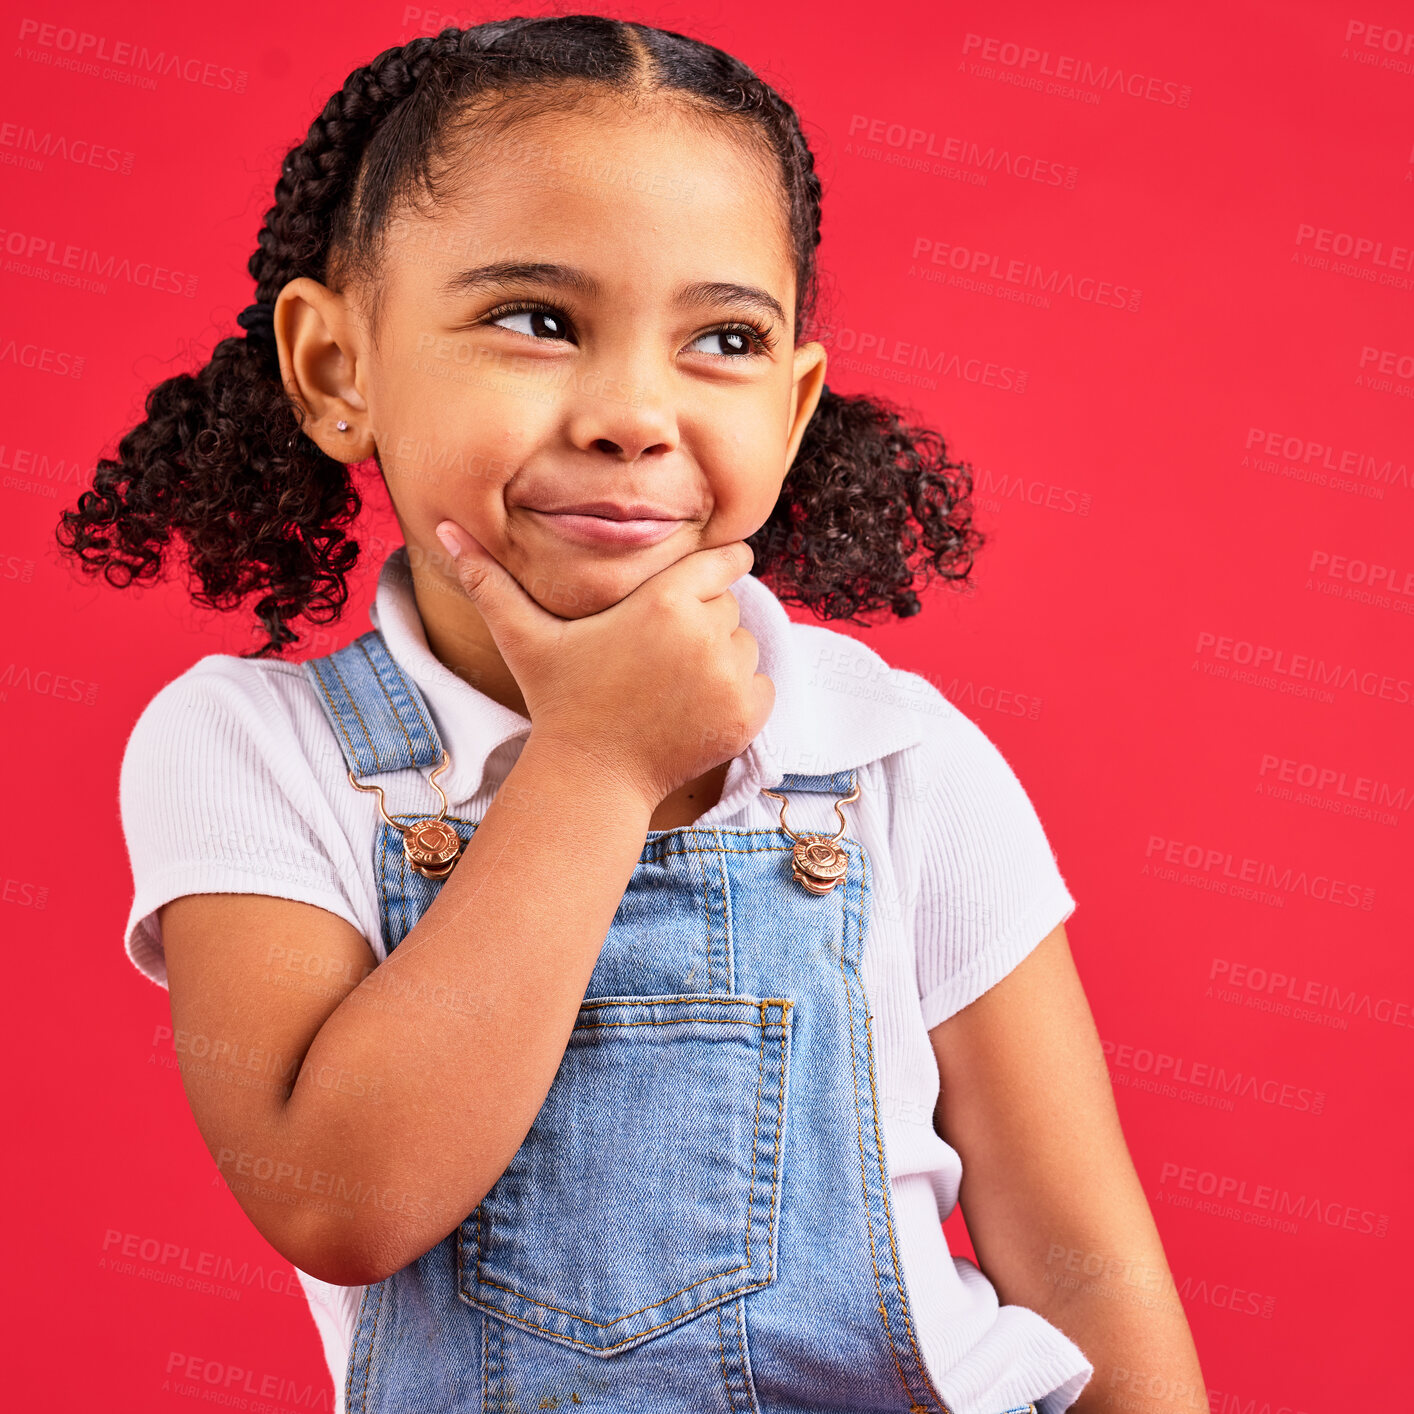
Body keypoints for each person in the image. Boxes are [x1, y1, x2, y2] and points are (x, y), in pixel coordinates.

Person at [58, 15, 1204, 1414]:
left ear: (789, 413)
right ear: (335, 366)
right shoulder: (253, 746)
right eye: (535, 320)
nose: (632, 412)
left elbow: (1084, 1267)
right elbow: (341, 1195)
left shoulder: (891, 750)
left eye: (721, 339)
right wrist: (598, 757)